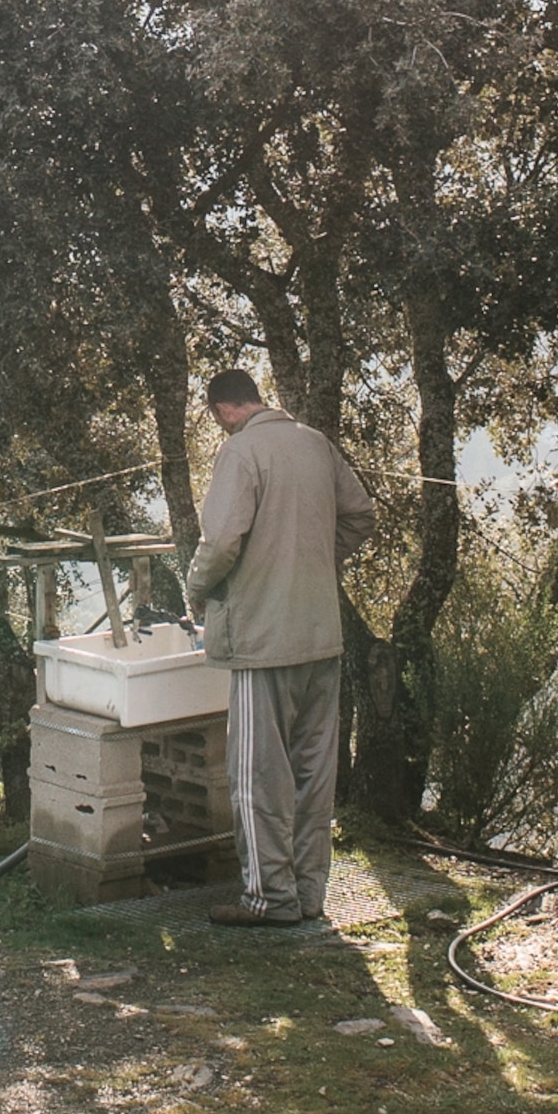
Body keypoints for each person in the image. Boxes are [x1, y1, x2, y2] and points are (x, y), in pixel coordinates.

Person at [181, 368, 375, 929]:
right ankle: (310, 894)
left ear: (222, 411)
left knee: (258, 773)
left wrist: (198, 591)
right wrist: (314, 562)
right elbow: (361, 515)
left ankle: (269, 899)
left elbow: (219, 543)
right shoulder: (315, 443)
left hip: (264, 640)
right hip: (321, 636)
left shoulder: (242, 453)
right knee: (315, 772)